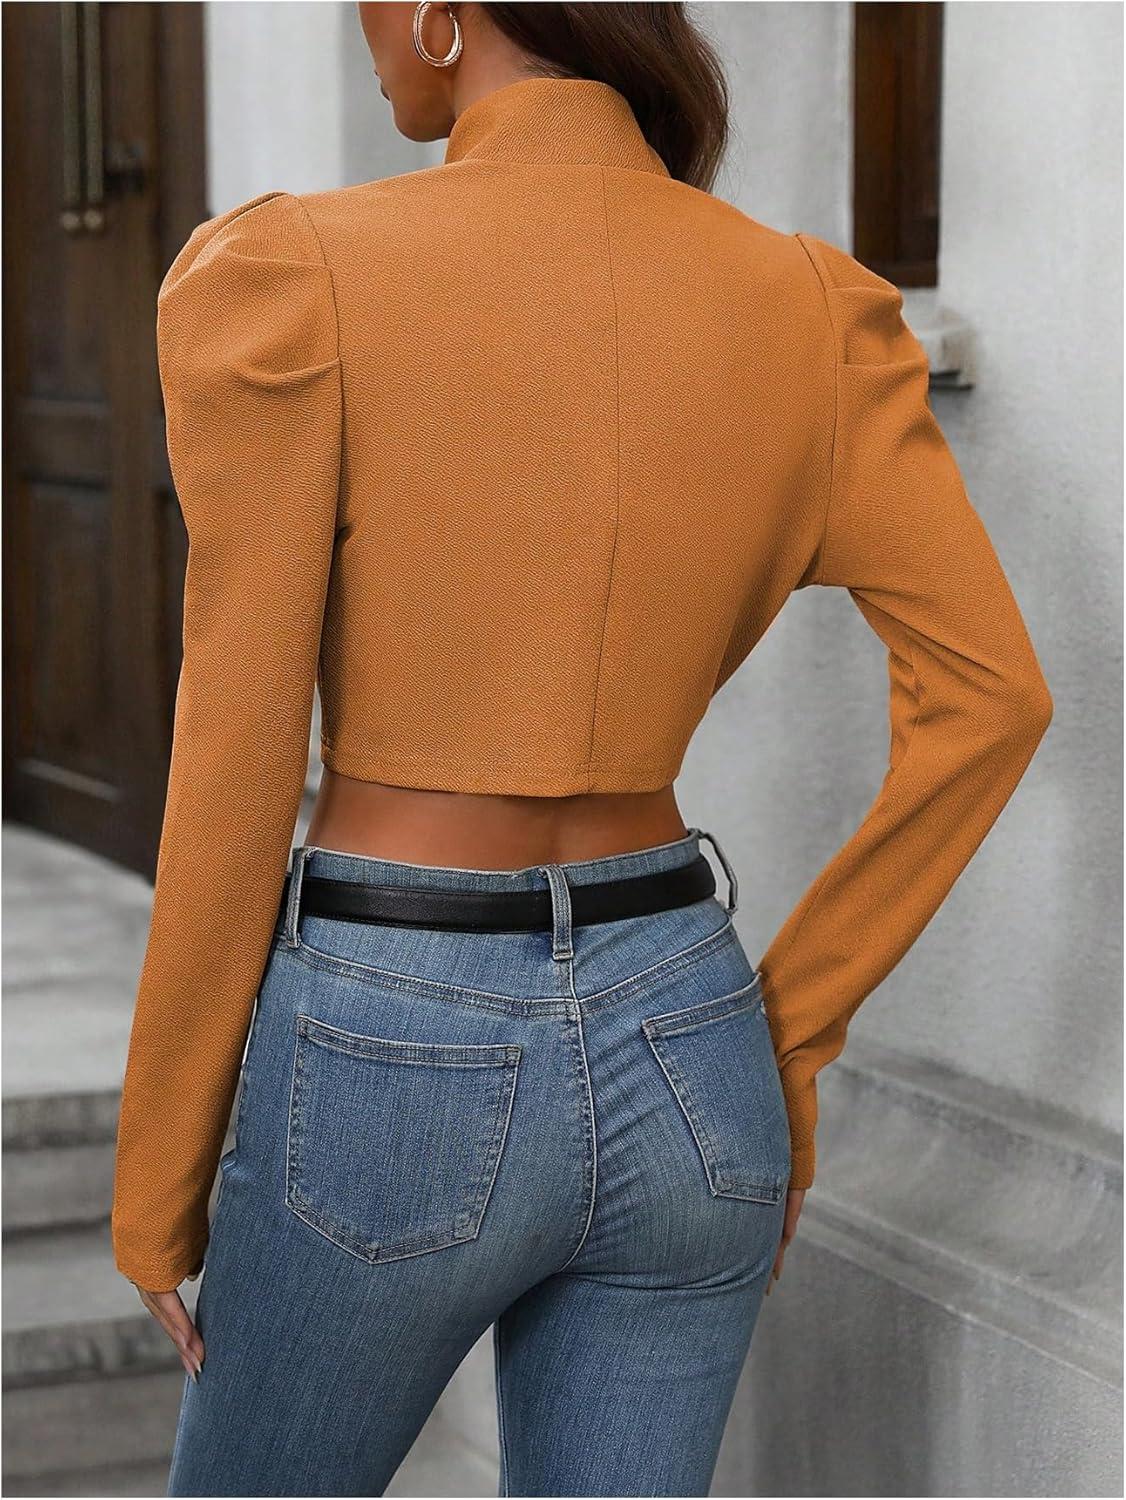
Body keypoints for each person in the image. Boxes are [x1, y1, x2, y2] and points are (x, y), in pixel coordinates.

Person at [110, 3, 1053, 1495]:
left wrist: (159, 1168)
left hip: (392, 1029)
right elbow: (994, 700)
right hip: (689, 1029)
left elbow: (238, 743)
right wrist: (787, 1033)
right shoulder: (812, 306)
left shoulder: (297, 276)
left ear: (443, 13)